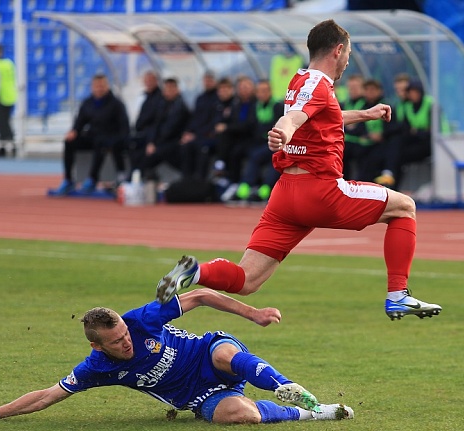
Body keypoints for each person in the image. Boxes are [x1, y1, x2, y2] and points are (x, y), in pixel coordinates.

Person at [154, 19, 441, 321]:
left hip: (286, 197)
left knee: (247, 280)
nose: (348, 61)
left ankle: (195, 272)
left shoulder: (300, 80)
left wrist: (365, 114)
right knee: (404, 207)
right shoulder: (319, 83)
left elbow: (321, 115)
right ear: (338, 50)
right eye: (349, 54)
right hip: (321, 191)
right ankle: (398, 295)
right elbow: (293, 118)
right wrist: (283, 132)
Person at [0, 284, 353, 425]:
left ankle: (286, 388)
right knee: (239, 416)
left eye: (126, 334)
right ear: (98, 346)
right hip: (197, 397)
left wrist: (255, 313)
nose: (127, 341)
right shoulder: (96, 368)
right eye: (118, 341)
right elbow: (47, 395)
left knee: (227, 353)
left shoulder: (141, 319)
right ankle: (312, 414)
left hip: (206, 354)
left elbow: (196, 295)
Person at [51, 73, 130, 195]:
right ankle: (68, 179)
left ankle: (93, 178)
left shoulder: (116, 104)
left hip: (110, 138)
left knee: (101, 142)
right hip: (92, 136)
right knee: (69, 142)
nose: (99, 88)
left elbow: (124, 127)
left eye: (102, 85)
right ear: (92, 87)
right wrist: (74, 131)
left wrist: (119, 141)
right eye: (97, 86)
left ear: (107, 86)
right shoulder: (87, 103)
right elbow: (79, 122)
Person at [233, 78, 284, 202]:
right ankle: (245, 186)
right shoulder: (255, 106)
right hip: (259, 143)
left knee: (272, 158)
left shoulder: (277, 106)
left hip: (275, 144)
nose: (262, 94)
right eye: (260, 91)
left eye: (265, 91)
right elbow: (251, 126)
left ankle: (265, 189)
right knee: (246, 153)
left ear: (270, 92)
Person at [134, 77, 191, 182]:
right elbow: (155, 125)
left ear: (177, 90)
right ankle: (136, 181)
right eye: (166, 89)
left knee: (154, 155)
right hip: (160, 143)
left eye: (170, 88)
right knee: (139, 153)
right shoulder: (161, 105)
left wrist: (155, 145)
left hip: (174, 142)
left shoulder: (180, 106)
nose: (167, 91)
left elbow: (170, 129)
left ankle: (187, 179)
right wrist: (151, 142)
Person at [127, 70, 164, 157]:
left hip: (151, 133)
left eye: (151, 81)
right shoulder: (145, 96)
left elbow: (152, 118)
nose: (148, 83)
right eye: (147, 81)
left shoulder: (159, 97)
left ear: (156, 81)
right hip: (142, 130)